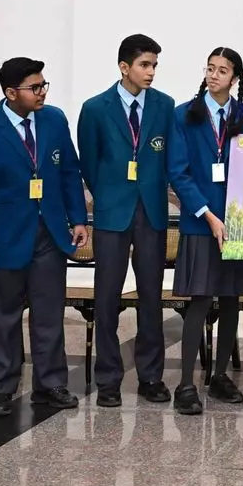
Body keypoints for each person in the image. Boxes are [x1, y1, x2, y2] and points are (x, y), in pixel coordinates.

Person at [0, 57, 88, 417]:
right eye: (35, 87)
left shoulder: (54, 119)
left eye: (44, 85)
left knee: (48, 314)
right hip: (1, 242)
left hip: (48, 235)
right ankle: (2, 388)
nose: (42, 92)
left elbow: (69, 171)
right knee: (2, 319)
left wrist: (77, 218)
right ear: (11, 92)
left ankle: (50, 384)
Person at [77, 34, 176, 408]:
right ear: (124, 67)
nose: (150, 72)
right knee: (107, 297)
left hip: (151, 211)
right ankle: (108, 379)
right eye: (144, 65)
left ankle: (151, 377)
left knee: (151, 296)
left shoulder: (164, 107)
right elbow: (89, 162)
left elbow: (168, 158)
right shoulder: (96, 108)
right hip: (112, 213)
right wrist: (106, 195)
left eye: (154, 66)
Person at [167, 47, 243, 415]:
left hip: (236, 222)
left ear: (235, 78)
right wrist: (208, 215)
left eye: (222, 70)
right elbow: (178, 171)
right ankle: (185, 384)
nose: (214, 75)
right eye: (210, 68)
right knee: (199, 300)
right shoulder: (185, 115)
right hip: (200, 222)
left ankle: (220, 376)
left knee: (230, 300)